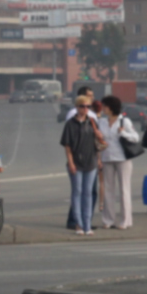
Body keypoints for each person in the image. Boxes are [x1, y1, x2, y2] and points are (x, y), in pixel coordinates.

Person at [61, 95, 102, 235]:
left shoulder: (92, 122)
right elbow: (67, 146)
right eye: (82, 106)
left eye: (88, 107)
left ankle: (87, 224)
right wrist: (71, 163)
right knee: (77, 192)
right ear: (77, 107)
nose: (85, 109)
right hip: (76, 163)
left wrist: (99, 159)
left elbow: (99, 144)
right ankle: (78, 224)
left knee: (88, 194)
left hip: (91, 162)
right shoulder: (70, 124)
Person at [98, 96, 138, 229]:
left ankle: (125, 221)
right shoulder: (102, 122)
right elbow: (99, 139)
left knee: (124, 189)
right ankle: (108, 219)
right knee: (108, 189)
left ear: (111, 107)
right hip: (107, 158)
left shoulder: (124, 121)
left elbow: (136, 138)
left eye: (105, 106)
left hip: (123, 159)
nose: (103, 108)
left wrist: (124, 134)